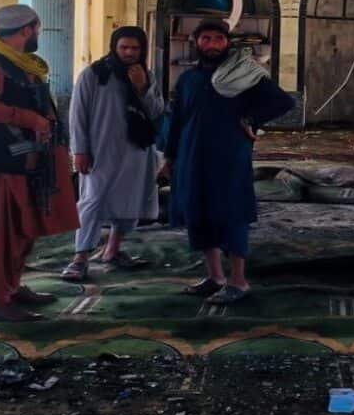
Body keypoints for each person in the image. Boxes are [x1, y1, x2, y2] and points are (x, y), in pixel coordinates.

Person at [0, 5, 79, 321]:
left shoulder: (21, 65)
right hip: (1, 165)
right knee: (1, 232)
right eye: (36, 28)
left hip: (25, 160)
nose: (37, 34)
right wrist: (29, 118)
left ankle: (11, 287)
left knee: (23, 229)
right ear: (27, 29)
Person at [164, 17, 294, 304]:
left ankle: (238, 280)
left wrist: (252, 119)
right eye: (206, 39)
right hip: (192, 156)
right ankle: (215, 277)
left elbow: (284, 102)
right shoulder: (188, 79)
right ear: (196, 43)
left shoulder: (244, 75)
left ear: (227, 43)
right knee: (197, 213)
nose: (212, 45)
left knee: (232, 214)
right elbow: (177, 120)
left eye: (218, 39)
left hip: (229, 158)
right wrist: (170, 155)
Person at [62, 27, 164, 282]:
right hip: (100, 150)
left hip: (136, 151)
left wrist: (141, 88)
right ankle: (80, 257)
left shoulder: (146, 76)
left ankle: (113, 250)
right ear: (114, 48)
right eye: (124, 48)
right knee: (92, 200)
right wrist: (80, 150)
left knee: (129, 200)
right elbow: (78, 115)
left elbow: (157, 113)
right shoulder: (94, 74)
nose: (129, 53)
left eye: (135, 48)